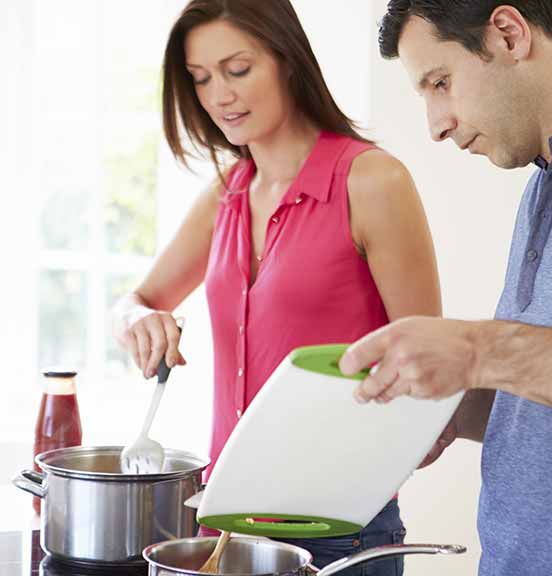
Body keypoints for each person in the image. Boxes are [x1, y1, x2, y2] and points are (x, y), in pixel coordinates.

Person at [113, 0, 440, 573]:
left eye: (237, 70)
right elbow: (136, 300)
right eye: (200, 79)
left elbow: (431, 369)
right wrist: (138, 319)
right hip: (225, 526)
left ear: (287, 61)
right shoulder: (227, 194)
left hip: (342, 531)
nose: (219, 96)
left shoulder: (372, 181)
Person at [338, 2, 552, 575]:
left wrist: (477, 351)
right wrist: (458, 408)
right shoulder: (544, 184)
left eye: (441, 83)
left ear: (509, 33)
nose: (436, 124)